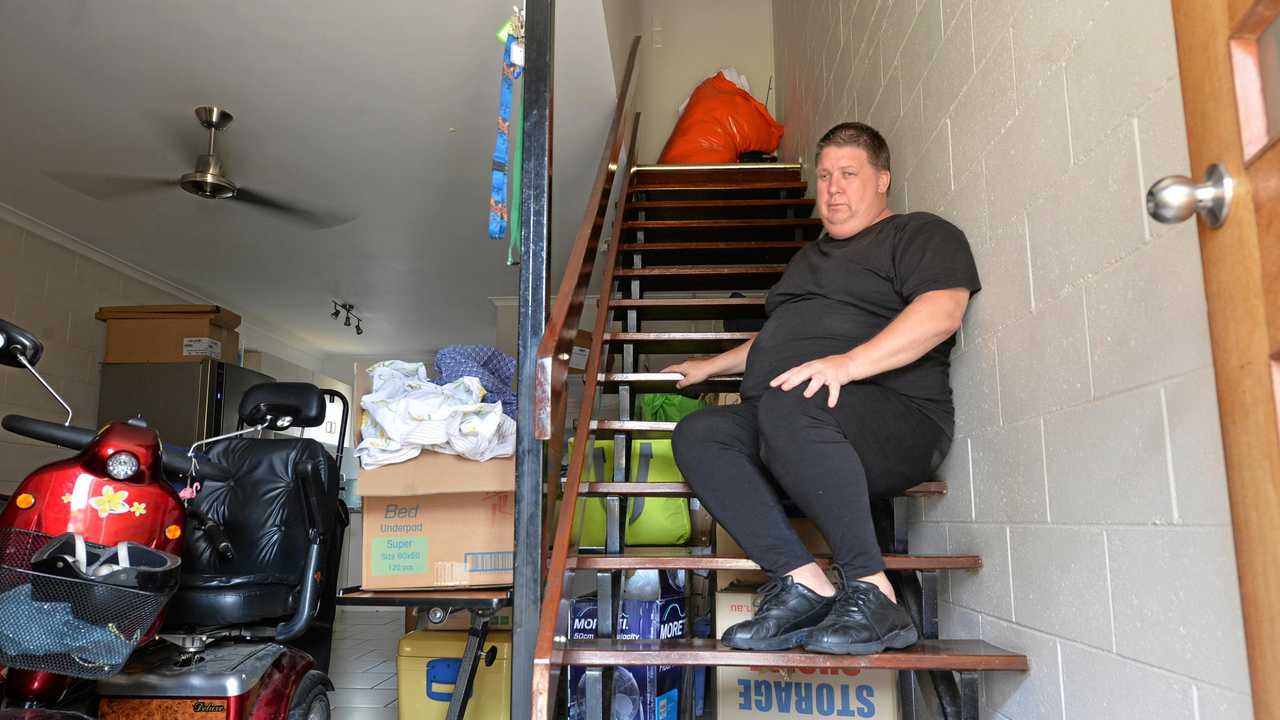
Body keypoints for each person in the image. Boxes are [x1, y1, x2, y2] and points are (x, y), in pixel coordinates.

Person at [664, 122, 980, 655]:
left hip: (894, 420)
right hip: (793, 420)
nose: (832, 187)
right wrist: (711, 366)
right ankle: (803, 583)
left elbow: (942, 312)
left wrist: (847, 365)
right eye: (825, 175)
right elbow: (781, 336)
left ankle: (873, 592)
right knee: (700, 432)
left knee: (794, 402)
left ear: (882, 179)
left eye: (849, 174)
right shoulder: (808, 260)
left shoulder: (919, 233)